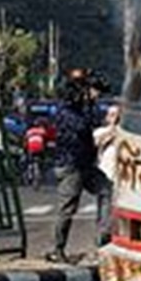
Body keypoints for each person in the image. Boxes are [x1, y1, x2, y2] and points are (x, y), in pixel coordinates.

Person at [48, 70, 113, 264]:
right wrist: (90, 103)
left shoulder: (83, 108)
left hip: (85, 164)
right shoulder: (66, 112)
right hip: (71, 166)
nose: (95, 95)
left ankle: (103, 240)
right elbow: (84, 126)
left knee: (107, 190)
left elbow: (95, 119)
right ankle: (56, 249)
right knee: (67, 208)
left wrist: (92, 102)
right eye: (90, 91)